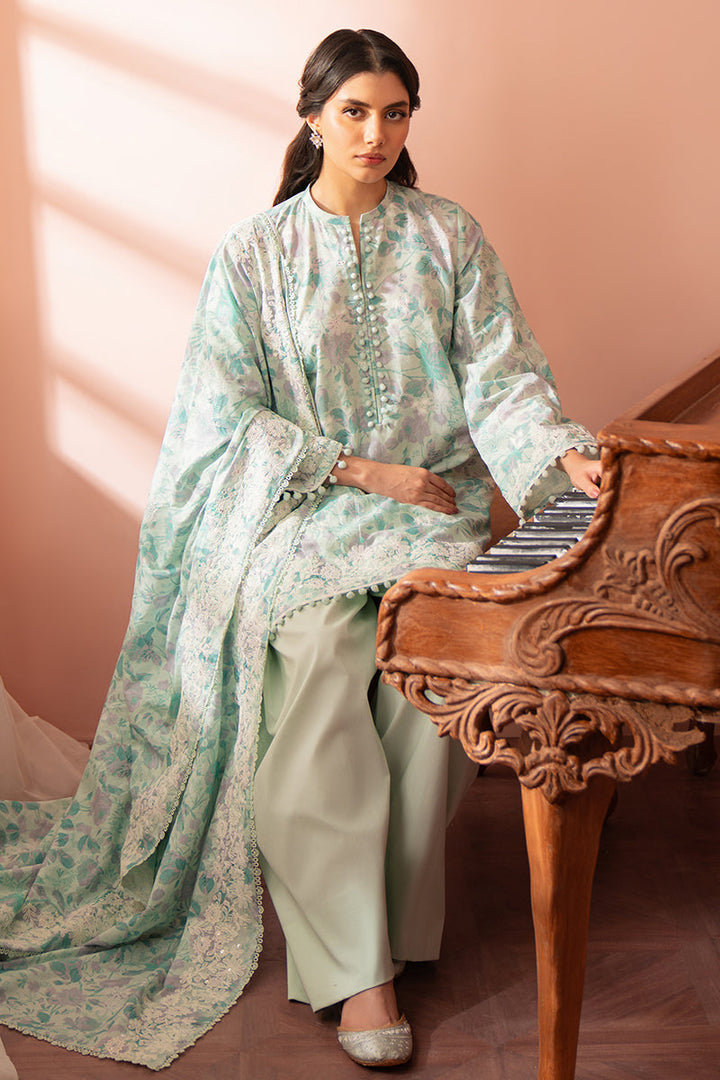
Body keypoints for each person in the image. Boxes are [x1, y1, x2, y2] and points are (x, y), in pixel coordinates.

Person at [0, 28, 601, 1071]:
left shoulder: (449, 237)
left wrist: (562, 460)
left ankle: (386, 936)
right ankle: (355, 973)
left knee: (425, 688)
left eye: (395, 113)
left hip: (436, 515)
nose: (376, 134)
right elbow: (221, 417)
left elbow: (502, 379)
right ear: (313, 115)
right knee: (324, 665)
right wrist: (360, 471)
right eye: (355, 111)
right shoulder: (254, 256)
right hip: (307, 518)